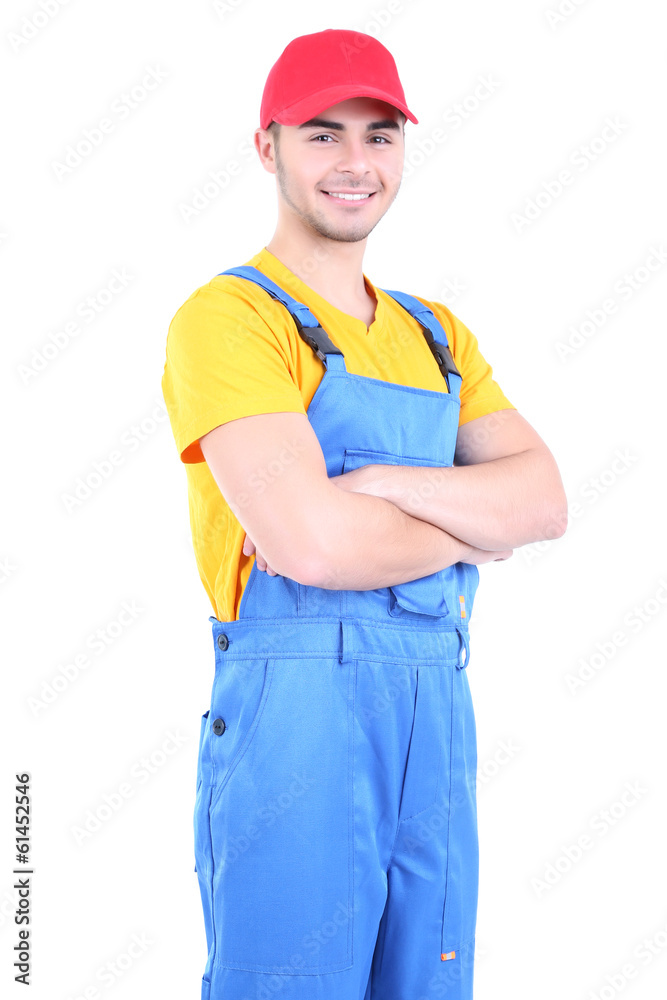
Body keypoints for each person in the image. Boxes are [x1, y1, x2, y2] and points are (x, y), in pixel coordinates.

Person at [161, 27, 567, 1000]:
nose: (354, 162)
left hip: (436, 709)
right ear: (267, 147)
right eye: (322, 133)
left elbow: (544, 499)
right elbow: (311, 543)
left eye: (379, 135)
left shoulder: (436, 333)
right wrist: (478, 521)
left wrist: (382, 485)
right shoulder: (231, 319)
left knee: (429, 983)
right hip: (295, 716)